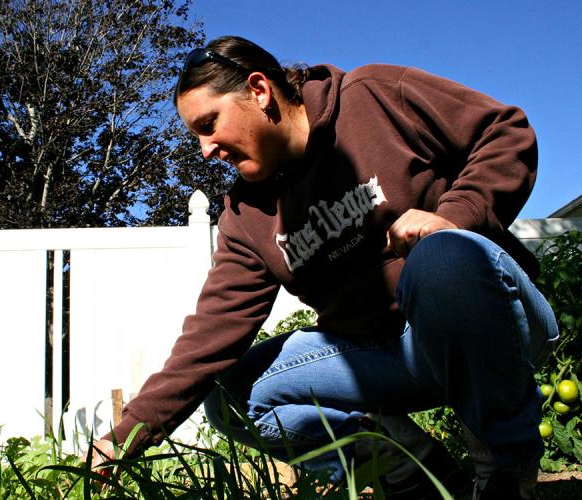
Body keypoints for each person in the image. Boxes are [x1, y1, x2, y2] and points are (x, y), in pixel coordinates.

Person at [88, 36, 558, 499]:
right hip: (383, 357)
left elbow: (505, 132)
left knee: (442, 254)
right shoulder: (245, 215)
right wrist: (123, 438)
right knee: (230, 396)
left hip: (490, 328)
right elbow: (209, 336)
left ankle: (503, 468)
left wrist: (452, 216)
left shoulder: (374, 96)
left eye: (209, 124)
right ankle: (410, 471)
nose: (206, 149)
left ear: (258, 90)